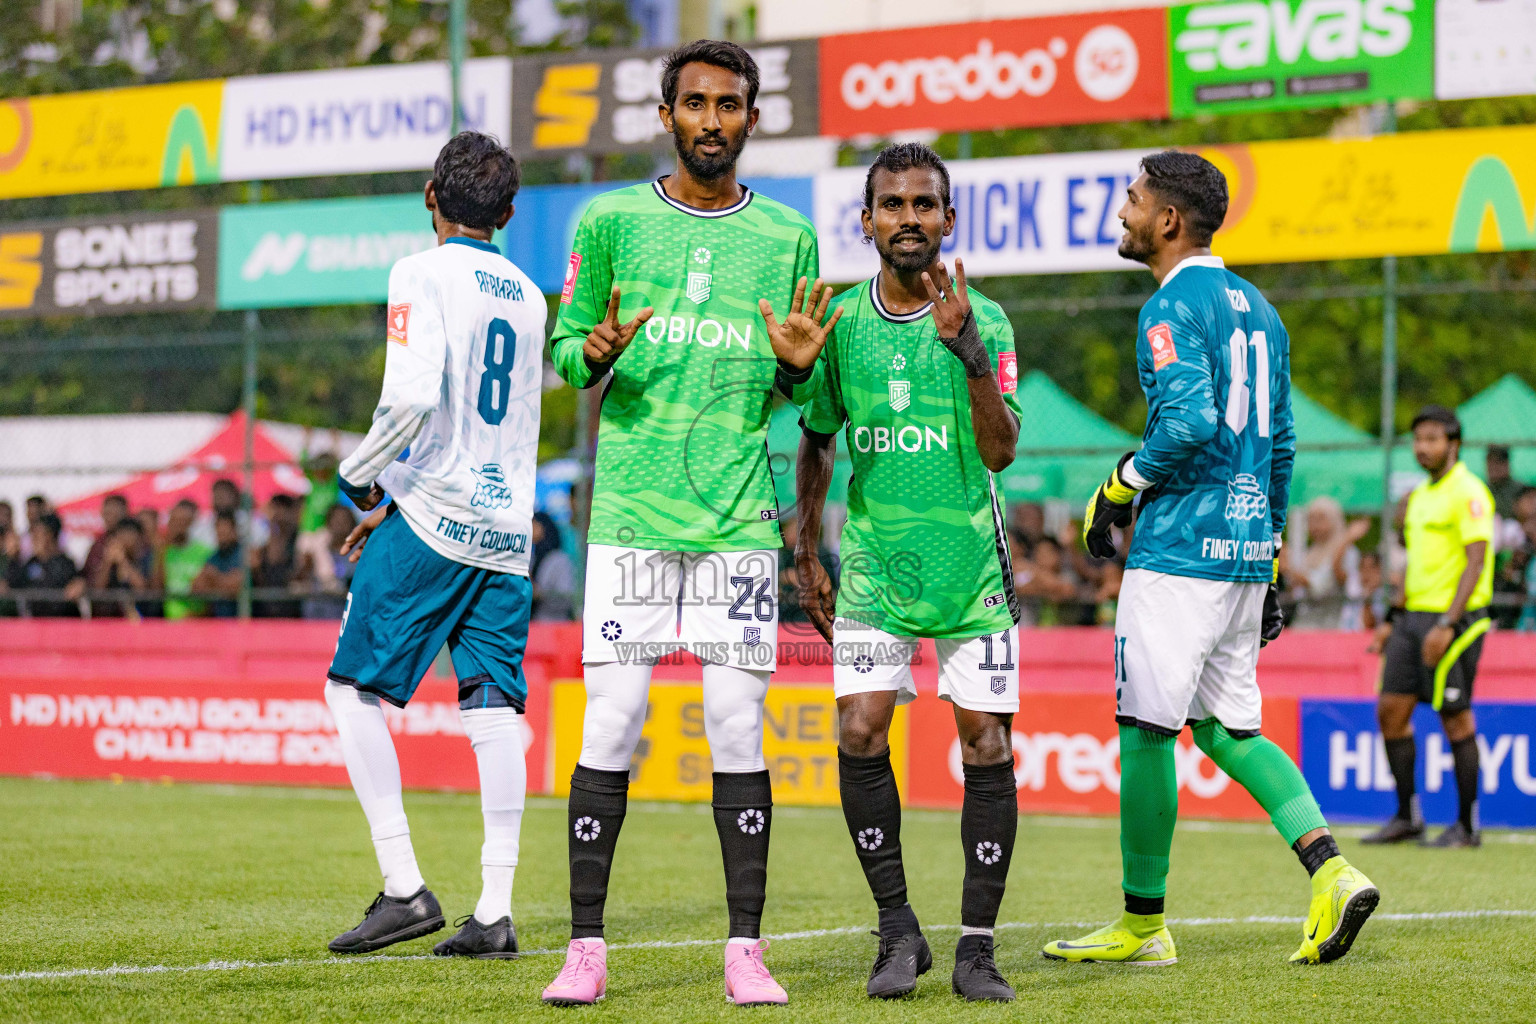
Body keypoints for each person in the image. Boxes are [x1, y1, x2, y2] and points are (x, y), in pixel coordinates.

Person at [539, 40, 826, 1008]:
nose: (712, 120)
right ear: (667, 116)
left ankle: (746, 950)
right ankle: (585, 948)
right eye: (695, 103)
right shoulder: (610, 220)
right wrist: (593, 351)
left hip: (738, 519)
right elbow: (566, 352)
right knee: (613, 720)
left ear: (752, 118)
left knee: (737, 723)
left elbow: (800, 387)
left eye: (728, 104)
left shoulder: (788, 236)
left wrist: (797, 368)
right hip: (630, 513)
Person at [1044, 151, 1377, 968]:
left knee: (1145, 731)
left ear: (1168, 220)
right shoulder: (1262, 311)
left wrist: (1119, 486)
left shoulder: (1169, 304)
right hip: (1241, 552)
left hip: (1179, 554)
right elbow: (1282, 445)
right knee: (1228, 729)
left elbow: (1189, 422)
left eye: (1132, 199)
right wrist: (1268, 554)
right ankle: (1333, 872)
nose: (1122, 211)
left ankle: (1142, 925)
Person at [794, 143, 1023, 1003]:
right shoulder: (842, 324)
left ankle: (978, 950)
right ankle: (898, 933)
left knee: (986, 742)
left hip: (972, 572)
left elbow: (1000, 452)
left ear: (948, 220)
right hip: (875, 570)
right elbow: (818, 437)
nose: (909, 218)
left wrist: (969, 354)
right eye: (893, 204)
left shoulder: (985, 320)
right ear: (867, 222)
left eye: (925, 204)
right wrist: (805, 549)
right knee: (859, 731)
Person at [318, 131, 543, 962]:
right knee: (493, 709)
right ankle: (495, 911)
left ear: (429, 196)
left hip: (434, 520)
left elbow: (412, 400)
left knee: (350, 692)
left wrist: (361, 479)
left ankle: (406, 887)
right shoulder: (531, 297)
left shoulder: (420, 271)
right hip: (505, 530)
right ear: (507, 213)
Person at [1363, 406, 1495, 848]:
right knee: (1390, 712)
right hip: (1412, 618)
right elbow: (1413, 564)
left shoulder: (1470, 492)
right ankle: (1408, 817)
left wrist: (1447, 623)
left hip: (1454, 620)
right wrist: (1391, 619)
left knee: (1455, 718)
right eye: (1418, 439)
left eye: (1433, 438)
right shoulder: (1418, 496)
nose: (1423, 447)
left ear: (1453, 444)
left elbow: (1476, 561)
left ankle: (1467, 827)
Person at [6, 513, 85, 617]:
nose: (33, 538)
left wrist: (79, 584)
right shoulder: (31, 562)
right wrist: (13, 558)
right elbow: (11, 583)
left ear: (50, 535)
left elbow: (78, 584)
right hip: (36, 622)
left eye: (38, 533)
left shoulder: (66, 564)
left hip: (63, 622)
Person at [301, 503, 358, 620]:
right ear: (328, 523)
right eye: (336, 520)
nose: (340, 525)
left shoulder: (360, 553)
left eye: (344, 520)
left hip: (347, 611)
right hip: (318, 611)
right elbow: (301, 578)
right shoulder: (316, 549)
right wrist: (307, 564)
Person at [158, 500, 211, 620]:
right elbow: (157, 586)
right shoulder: (163, 552)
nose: (179, 526)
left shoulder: (204, 552)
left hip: (195, 619)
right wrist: (162, 551)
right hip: (167, 619)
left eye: (183, 521)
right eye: (175, 520)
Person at [252, 494, 302, 618]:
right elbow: (259, 578)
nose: (279, 515)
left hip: (292, 610)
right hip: (263, 610)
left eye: (283, 509)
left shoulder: (300, 542)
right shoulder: (261, 543)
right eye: (275, 509)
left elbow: (297, 576)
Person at [194, 512, 245, 618]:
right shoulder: (213, 557)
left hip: (239, 618)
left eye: (225, 531)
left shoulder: (244, 554)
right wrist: (224, 583)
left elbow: (236, 586)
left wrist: (214, 578)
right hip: (217, 619)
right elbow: (197, 587)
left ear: (234, 531)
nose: (221, 534)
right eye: (219, 530)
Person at [529, 512, 576, 622]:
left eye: (534, 524)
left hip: (555, 624)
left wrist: (538, 593)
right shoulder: (532, 558)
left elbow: (566, 597)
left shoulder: (559, 559)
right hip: (533, 623)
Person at [82, 494, 130, 583]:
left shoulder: (135, 542)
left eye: (115, 515)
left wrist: (122, 561)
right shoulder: (98, 544)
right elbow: (91, 580)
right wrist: (107, 561)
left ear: (125, 514)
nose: (111, 518)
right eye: (108, 514)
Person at [1485, 445, 1522, 521]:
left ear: (1506, 464)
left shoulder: (1519, 490)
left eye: (1497, 462)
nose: (1493, 467)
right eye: (1490, 461)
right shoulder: (1483, 489)